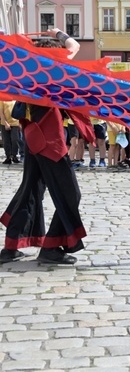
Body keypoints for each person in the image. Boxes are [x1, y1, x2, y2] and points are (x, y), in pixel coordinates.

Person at [1, 28, 92, 265]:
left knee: (30, 191)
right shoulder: (50, 69)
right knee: (70, 192)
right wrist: (58, 33)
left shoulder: (23, 72)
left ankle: (12, 246)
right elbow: (74, 47)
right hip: (49, 140)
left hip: (33, 137)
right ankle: (52, 248)